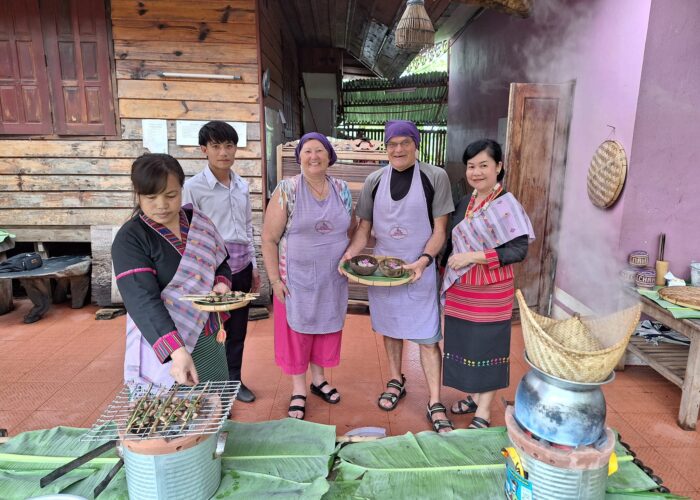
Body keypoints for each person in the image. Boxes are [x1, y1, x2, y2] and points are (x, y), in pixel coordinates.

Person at [343, 120, 456, 433]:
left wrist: (422, 261)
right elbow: (364, 229)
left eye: (405, 142)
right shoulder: (374, 180)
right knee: (391, 328)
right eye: (392, 143)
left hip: (420, 270)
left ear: (415, 144)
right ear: (386, 147)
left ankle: (435, 400)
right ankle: (396, 379)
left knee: (428, 337)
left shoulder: (436, 177)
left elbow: (440, 231)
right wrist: (351, 253)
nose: (398, 149)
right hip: (384, 270)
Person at [112, 154, 233, 386]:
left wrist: (221, 283)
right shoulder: (130, 239)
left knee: (213, 402)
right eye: (151, 197)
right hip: (162, 341)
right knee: (169, 413)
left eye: (171, 195)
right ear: (137, 194)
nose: (162, 205)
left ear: (182, 189)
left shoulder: (200, 222)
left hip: (208, 333)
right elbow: (142, 299)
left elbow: (221, 263)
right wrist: (177, 351)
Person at [441, 139, 534, 428]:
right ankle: (473, 394)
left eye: (484, 165)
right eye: (471, 166)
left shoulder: (506, 205)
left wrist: (474, 256)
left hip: (491, 291)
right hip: (461, 289)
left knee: (488, 348)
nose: (476, 172)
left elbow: (518, 250)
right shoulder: (465, 203)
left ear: (498, 167)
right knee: (465, 345)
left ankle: (483, 410)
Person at [262, 133, 354, 420]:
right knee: (297, 334)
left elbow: (348, 231)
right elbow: (268, 238)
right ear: (299, 157)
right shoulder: (287, 190)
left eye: (319, 151)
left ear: (329, 157)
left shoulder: (342, 189)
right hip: (295, 279)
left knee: (325, 330)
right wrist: (275, 280)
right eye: (307, 151)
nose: (313, 156)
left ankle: (319, 380)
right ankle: (299, 389)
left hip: (332, 279)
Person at [182, 121, 259, 403]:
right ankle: (207, 387)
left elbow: (248, 226)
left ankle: (233, 382)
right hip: (210, 272)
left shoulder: (241, 185)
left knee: (237, 329)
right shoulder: (193, 187)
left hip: (242, 266)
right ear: (204, 150)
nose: (223, 152)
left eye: (229, 146)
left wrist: (254, 264)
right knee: (209, 330)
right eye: (216, 146)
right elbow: (188, 233)